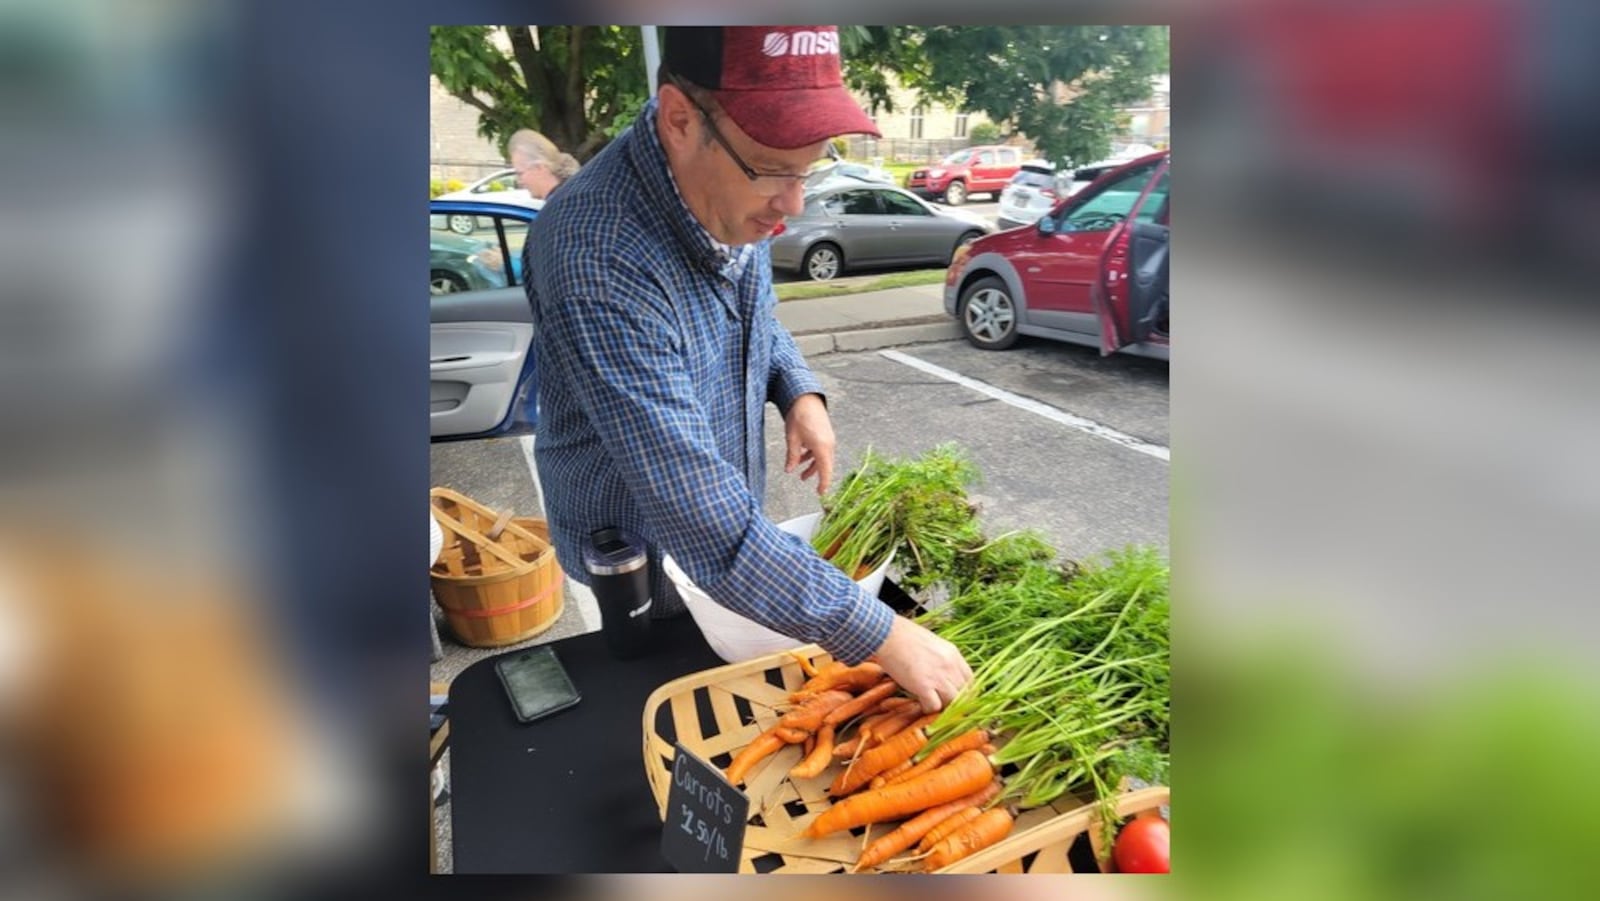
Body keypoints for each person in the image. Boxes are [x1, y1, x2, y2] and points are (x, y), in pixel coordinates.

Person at [522, 26, 972, 712]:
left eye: (808, 170)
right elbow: (709, 528)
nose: (793, 207)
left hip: (721, 520)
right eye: (772, 169)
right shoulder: (596, 254)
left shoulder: (728, 196)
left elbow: (754, 309)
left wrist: (798, 390)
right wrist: (879, 631)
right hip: (639, 552)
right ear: (679, 119)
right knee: (656, 693)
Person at [507, 129, 580, 200]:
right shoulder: (570, 197)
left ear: (539, 167)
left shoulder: (562, 206)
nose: (519, 181)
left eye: (520, 174)